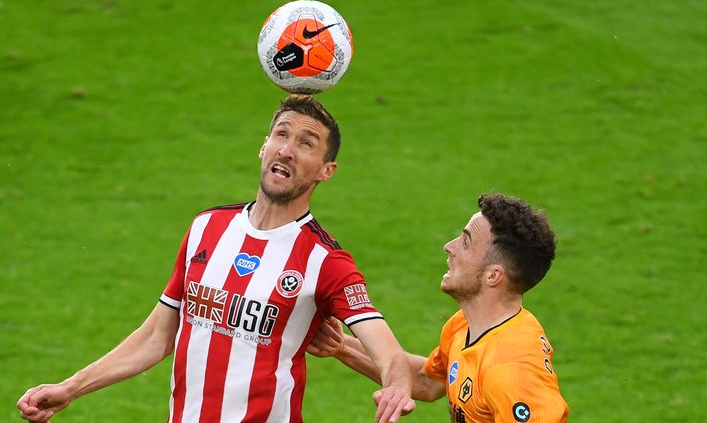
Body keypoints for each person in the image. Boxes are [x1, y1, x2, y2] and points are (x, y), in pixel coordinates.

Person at [17, 94, 415, 423]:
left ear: (327, 171)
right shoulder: (207, 227)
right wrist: (70, 388)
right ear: (264, 146)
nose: (288, 150)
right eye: (281, 134)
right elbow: (158, 335)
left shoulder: (325, 260)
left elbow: (389, 352)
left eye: (306, 143)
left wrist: (396, 386)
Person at [309, 193, 569, 422]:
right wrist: (341, 346)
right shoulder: (465, 325)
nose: (450, 246)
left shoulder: (511, 370)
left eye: (465, 242)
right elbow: (428, 381)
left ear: (493, 276)